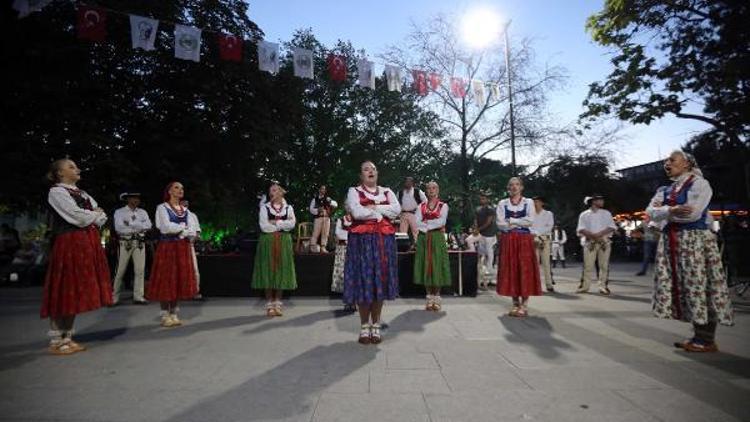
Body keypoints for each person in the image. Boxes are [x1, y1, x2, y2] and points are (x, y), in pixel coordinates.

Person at [647, 150, 733, 352]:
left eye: (672, 160)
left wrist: (664, 212)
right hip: (673, 242)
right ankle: (699, 336)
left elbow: (692, 215)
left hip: (694, 240)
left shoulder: (699, 184)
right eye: (666, 161)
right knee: (686, 287)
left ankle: (706, 339)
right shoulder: (665, 189)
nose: (667, 163)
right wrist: (671, 210)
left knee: (700, 285)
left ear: (686, 163)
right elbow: (650, 212)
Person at [41, 158, 112, 354]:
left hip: (86, 243)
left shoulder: (83, 194)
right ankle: (56, 340)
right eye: (71, 167)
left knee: (75, 288)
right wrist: (93, 214)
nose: (77, 169)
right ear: (60, 173)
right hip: (69, 242)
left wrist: (94, 215)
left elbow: (102, 217)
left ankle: (68, 337)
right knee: (64, 287)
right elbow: (77, 217)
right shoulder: (57, 192)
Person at [344, 161, 401, 344]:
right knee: (364, 279)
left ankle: (376, 324)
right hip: (362, 241)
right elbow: (356, 212)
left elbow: (396, 210)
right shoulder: (354, 191)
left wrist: (374, 208)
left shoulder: (387, 191)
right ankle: (364, 325)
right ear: (361, 175)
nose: (371, 171)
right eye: (366, 169)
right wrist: (379, 213)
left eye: (374, 169)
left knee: (380, 279)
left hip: (383, 240)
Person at [147, 182, 199, 327]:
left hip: (182, 247)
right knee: (167, 278)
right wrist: (183, 229)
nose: (180, 190)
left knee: (178, 278)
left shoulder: (185, 210)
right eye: (177, 188)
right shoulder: (162, 208)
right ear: (169, 191)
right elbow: (165, 227)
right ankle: (164, 313)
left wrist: (185, 230)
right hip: (168, 247)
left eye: (182, 188)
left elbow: (193, 228)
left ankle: (174, 312)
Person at [496, 177, 542, 317]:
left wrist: (512, 221)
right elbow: (500, 223)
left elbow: (530, 221)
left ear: (521, 187)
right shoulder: (502, 203)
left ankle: (524, 304)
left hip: (523, 240)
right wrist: (518, 223)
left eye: (517, 184)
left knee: (524, 269)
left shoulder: (528, 202)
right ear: (508, 188)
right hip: (509, 240)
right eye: (511, 185)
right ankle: (515, 304)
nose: (514, 187)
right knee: (511, 269)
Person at [252, 183, 297, 317]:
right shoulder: (264, 208)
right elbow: (264, 226)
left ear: (281, 192)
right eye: (270, 190)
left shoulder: (288, 208)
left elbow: (292, 224)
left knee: (281, 270)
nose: (272, 192)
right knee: (268, 269)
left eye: (275, 189)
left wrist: (275, 223)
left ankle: (278, 302)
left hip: (284, 241)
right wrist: (282, 225)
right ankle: (269, 304)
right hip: (268, 241)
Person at [414, 181, 451, 311]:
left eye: (434, 188)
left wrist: (427, 224)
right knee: (426, 263)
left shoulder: (443, 206)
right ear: (426, 191)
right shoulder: (421, 206)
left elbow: (441, 221)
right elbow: (417, 222)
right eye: (429, 188)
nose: (431, 190)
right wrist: (430, 224)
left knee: (437, 264)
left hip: (437, 238)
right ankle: (429, 296)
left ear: (438, 190)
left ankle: (437, 296)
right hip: (424, 238)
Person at [111, 191, 152, 305]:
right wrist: (139, 226)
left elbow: (149, 226)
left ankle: (139, 296)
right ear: (127, 199)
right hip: (125, 242)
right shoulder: (119, 212)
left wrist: (130, 223)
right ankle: (114, 297)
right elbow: (119, 228)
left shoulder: (143, 212)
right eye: (133, 198)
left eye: (137, 198)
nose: (136, 200)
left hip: (139, 243)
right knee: (120, 270)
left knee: (140, 270)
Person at [576, 194, 616, 295]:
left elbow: (611, 227)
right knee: (587, 266)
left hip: (604, 241)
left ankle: (603, 286)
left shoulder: (606, 213)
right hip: (590, 242)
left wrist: (599, 234)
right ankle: (584, 286)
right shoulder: (584, 214)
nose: (602, 202)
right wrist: (593, 235)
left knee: (604, 265)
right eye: (600, 200)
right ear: (593, 201)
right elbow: (581, 229)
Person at [331, 211, 354, 312]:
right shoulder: (341, 220)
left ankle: (354, 301)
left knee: (354, 275)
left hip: (354, 249)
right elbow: (338, 233)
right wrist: (351, 235)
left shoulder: (358, 220)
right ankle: (347, 301)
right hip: (342, 249)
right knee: (343, 275)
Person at [531, 195, 555, 292]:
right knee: (534, 263)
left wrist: (537, 234)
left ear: (542, 203)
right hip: (533, 240)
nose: (535, 203)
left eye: (537, 201)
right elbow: (528, 226)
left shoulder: (548, 214)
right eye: (534, 202)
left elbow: (549, 226)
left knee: (546, 263)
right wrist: (534, 236)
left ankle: (549, 284)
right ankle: (535, 284)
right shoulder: (530, 214)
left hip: (544, 239)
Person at [181, 199, 204, 300]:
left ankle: (195, 291)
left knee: (194, 269)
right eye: (183, 204)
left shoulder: (192, 216)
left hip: (189, 245)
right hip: (178, 245)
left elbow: (198, 232)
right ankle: (180, 292)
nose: (185, 206)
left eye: (187, 204)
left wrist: (193, 239)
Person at [474, 192, 497, 289]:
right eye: (481, 198)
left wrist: (479, 229)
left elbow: (489, 222)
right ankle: (481, 279)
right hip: (481, 235)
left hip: (489, 234)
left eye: (484, 198)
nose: (482, 200)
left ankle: (490, 278)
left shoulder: (491, 209)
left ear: (487, 199)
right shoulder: (478, 209)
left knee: (489, 256)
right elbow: (475, 219)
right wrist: (475, 227)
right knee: (481, 256)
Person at [397, 176, 426, 245]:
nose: (408, 183)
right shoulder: (400, 192)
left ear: (412, 183)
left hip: (414, 213)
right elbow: (396, 203)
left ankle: (418, 246)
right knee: (402, 233)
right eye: (407, 182)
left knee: (416, 231)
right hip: (403, 214)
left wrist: (420, 211)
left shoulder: (417, 191)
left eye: (410, 182)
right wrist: (398, 214)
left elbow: (425, 201)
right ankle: (402, 246)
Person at [308, 185, 338, 253]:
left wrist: (330, 201)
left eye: (324, 189)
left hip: (326, 218)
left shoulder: (328, 199)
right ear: (319, 190)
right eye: (321, 189)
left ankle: (323, 247)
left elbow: (336, 205)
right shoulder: (315, 199)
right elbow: (311, 209)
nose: (323, 190)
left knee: (325, 233)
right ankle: (312, 246)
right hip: (318, 218)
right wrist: (318, 210)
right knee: (316, 232)